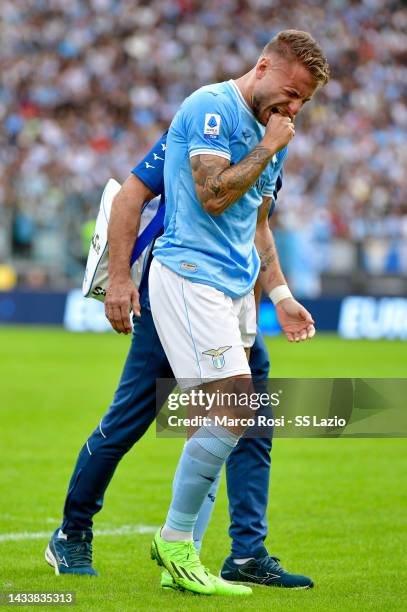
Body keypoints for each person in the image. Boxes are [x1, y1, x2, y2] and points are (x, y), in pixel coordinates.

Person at [148, 29, 329, 596]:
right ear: (263, 67)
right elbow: (213, 195)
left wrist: (281, 295)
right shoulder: (211, 107)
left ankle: (184, 560)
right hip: (188, 273)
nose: (293, 107)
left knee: (220, 417)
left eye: (303, 101)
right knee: (234, 399)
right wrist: (269, 145)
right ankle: (175, 543)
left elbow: (257, 225)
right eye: (291, 92)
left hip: (235, 287)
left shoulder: (274, 132)